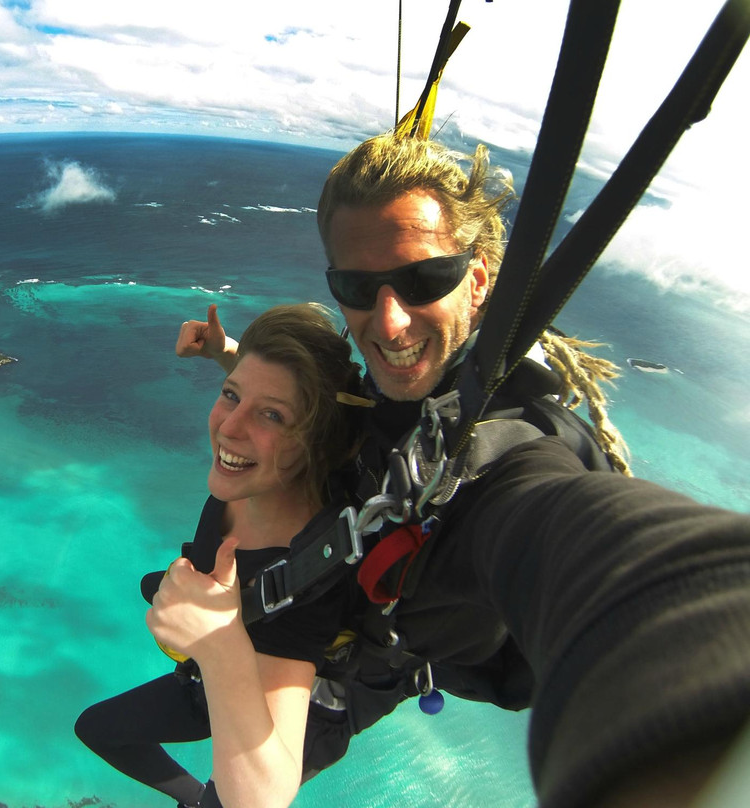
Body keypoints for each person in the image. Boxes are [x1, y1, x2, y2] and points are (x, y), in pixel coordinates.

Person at [174, 133, 750, 808]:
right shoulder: (407, 387)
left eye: (424, 281)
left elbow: (576, 531)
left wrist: (699, 669)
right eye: (356, 287)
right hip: (360, 616)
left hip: (370, 667)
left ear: (476, 283)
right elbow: (340, 402)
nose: (389, 323)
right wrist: (230, 353)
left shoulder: (512, 457)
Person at [75, 303, 368, 808]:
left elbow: (260, 798)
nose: (229, 427)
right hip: (212, 677)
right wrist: (225, 352)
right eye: (231, 394)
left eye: (271, 415)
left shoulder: (305, 573)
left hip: (284, 719)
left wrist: (216, 644)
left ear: (316, 443)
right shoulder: (260, 477)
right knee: (98, 728)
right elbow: (278, 394)